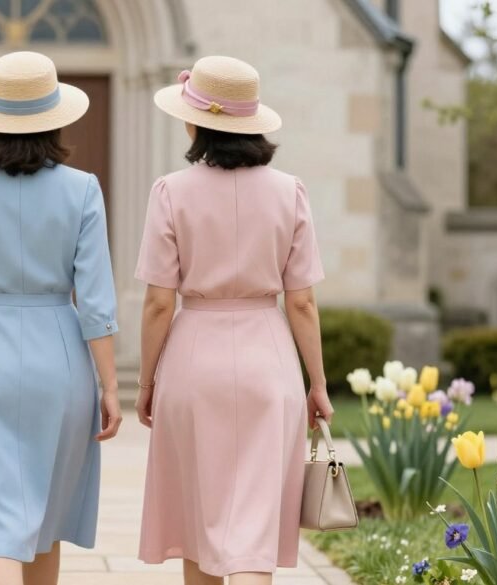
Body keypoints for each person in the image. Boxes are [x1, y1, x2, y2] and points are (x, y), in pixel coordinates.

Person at [136, 55, 335, 585]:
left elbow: (159, 302)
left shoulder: (170, 191)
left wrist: (146, 381)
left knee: (200, 522)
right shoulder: (289, 191)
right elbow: (302, 302)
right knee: (251, 533)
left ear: (195, 122)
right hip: (268, 359)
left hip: (192, 360)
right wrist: (317, 382)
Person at [0, 51, 122, 585]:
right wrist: (110, 386)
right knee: (48, 516)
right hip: (59, 352)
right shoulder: (82, 188)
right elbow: (97, 301)